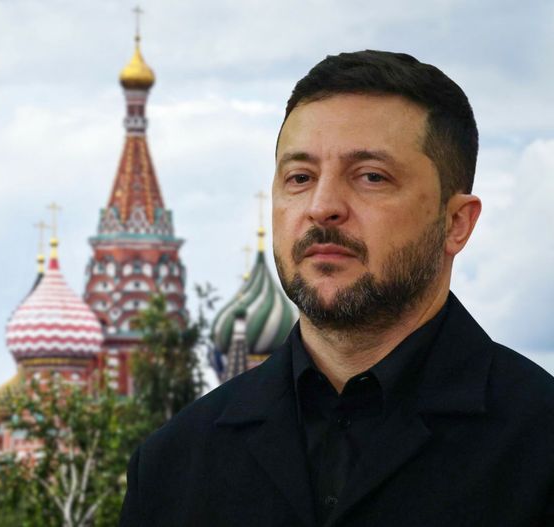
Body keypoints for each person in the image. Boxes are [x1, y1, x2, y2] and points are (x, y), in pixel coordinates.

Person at [119, 50, 554, 526]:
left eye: (371, 177)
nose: (322, 206)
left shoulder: (539, 442)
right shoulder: (173, 465)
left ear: (456, 223)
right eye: (300, 178)